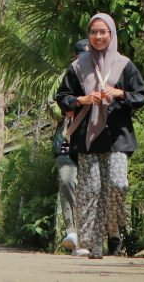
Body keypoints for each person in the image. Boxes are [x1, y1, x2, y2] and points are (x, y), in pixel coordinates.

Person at [54, 13, 144, 260]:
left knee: (118, 184)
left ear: (111, 34)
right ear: (89, 35)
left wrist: (120, 93)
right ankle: (94, 244)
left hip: (118, 135)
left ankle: (114, 230)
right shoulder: (77, 66)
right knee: (91, 189)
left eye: (103, 32)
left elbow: (142, 95)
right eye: (93, 32)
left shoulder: (124, 64)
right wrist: (82, 99)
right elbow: (62, 96)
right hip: (87, 137)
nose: (98, 36)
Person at [52, 38, 90, 253]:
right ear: (75, 57)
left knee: (89, 187)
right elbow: (53, 104)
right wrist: (69, 107)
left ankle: (90, 238)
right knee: (66, 181)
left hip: (92, 142)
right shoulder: (65, 76)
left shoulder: (104, 74)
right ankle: (72, 231)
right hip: (67, 141)